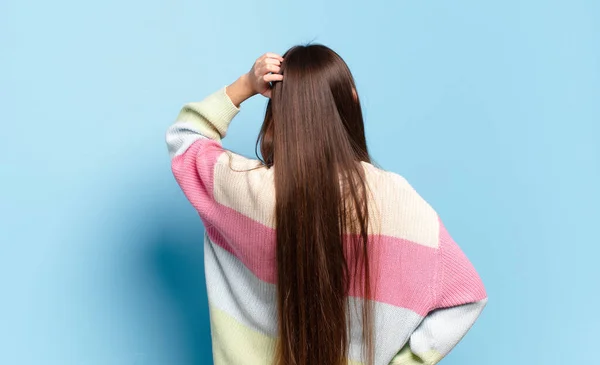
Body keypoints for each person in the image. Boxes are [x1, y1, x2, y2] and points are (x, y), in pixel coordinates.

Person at [165, 44, 487, 365]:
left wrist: (247, 84)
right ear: (352, 99)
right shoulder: (396, 197)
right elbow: (467, 295)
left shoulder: (243, 189)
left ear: (278, 114)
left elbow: (186, 137)